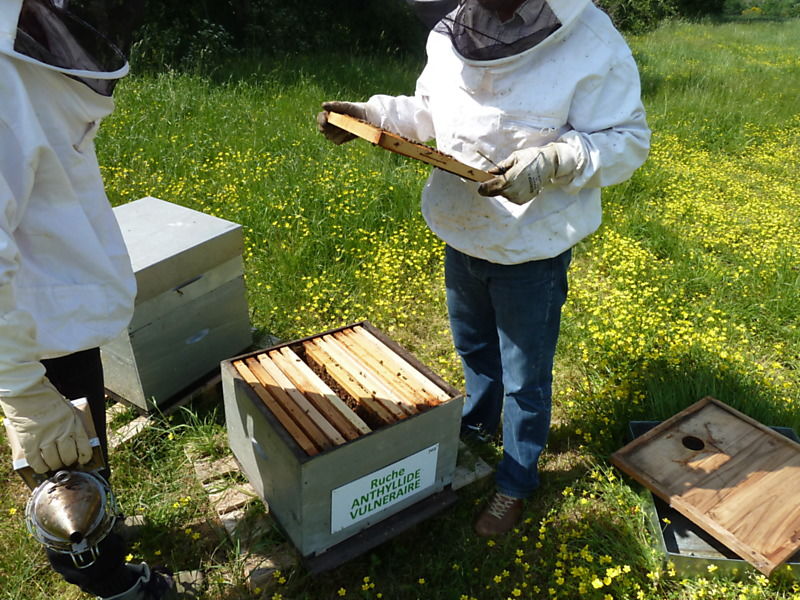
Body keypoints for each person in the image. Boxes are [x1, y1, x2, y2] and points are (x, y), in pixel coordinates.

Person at [317, 0, 650, 536]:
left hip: (531, 248)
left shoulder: (589, 38)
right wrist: (370, 115)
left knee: (526, 376)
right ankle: (477, 425)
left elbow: (627, 139)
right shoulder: (454, 30)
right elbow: (429, 109)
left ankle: (516, 481)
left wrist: (555, 160)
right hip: (462, 230)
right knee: (473, 346)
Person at [0, 1, 198, 598]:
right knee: (59, 476)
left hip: (51, 321)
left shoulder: (27, 67)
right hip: (31, 340)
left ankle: (101, 532)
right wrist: (22, 391)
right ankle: (110, 583)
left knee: (85, 452)